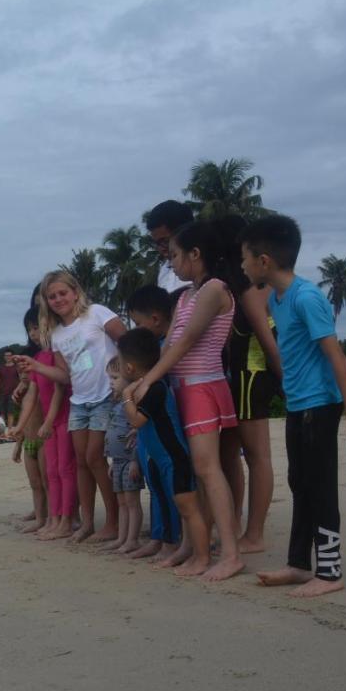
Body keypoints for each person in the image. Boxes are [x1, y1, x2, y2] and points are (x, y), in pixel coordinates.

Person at [242, 215, 346, 598]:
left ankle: (330, 572)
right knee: (300, 482)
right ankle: (300, 564)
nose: (242, 266)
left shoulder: (306, 297)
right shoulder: (277, 298)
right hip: (299, 404)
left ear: (263, 261)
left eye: (244, 258)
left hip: (321, 404)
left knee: (320, 487)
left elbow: (337, 359)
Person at [132, 219, 243, 581]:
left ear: (196, 254)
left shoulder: (214, 289)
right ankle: (191, 546)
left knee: (208, 470)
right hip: (184, 388)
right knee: (194, 470)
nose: (172, 262)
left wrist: (149, 377)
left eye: (177, 255)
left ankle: (229, 553)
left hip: (201, 386)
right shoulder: (186, 296)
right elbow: (169, 342)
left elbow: (185, 343)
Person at [15, 270, 126, 542]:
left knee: (94, 457)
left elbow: (127, 341)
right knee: (81, 464)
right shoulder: (57, 334)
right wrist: (37, 366)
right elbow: (65, 376)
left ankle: (114, 521)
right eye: (51, 296)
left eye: (62, 293)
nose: (58, 299)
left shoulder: (97, 313)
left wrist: (125, 377)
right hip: (80, 402)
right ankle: (86, 523)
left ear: (75, 291)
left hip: (104, 396)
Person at [117, 328, 211, 576]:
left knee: (189, 508)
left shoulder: (154, 388)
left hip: (174, 459)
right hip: (159, 460)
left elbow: (137, 420)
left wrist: (126, 398)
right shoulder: (148, 386)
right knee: (171, 502)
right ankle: (178, 548)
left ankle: (201, 557)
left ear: (128, 367)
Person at [221, 268, 282, 555]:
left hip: (250, 376)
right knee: (230, 454)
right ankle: (234, 525)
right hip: (241, 378)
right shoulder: (245, 290)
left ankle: (254, 534)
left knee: (257, 457)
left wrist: (287, 380)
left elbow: (268, 339)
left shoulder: (254, 291)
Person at [17, 306, 74, 541]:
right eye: (29, 329)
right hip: (49, 424)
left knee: (64, 470)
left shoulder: (56, 354)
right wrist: (20, 426)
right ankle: (53, 518)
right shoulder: (38, 357)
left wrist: (49, 420)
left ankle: (66, 520)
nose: (33, 333)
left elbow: (61, 387)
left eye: (36, 327)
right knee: (51, 471)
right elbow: (33, 393)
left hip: (63, 418)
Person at [103, 358, 144, 554]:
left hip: (130, 460)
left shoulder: (131, 403)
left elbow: (137, 432)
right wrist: (111, 460)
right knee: (121, 502)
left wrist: (136, 460)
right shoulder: (115, 402)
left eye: (115, 377)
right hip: (117, 461)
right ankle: (122, 538)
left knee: (132, 502)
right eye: (110, 378)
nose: (111, 382)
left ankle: (132, 539)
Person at [8, 366, 47, 535]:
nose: (23, 375)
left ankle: (51, 517)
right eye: (20, 373)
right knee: (35, 484)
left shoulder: (40, 391)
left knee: (47, 483)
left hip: (43, 442)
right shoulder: (22, 393)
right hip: (28, 442)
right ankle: (39, 516)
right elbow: (24, 420)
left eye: (27, 372)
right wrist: (18, 445)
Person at [147, 199, 196, 293]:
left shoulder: (208, 263)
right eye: (157, 243)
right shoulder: (164, 269)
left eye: (165, 241)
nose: (161, 248)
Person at [0, 351, 23, 429]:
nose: (8, 357)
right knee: (2, 413)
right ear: (4, 357)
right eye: (6, 355)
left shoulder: (16, 367)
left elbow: (21, 379)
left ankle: (9, 430)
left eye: (9, 355)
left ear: (12, 356)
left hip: (13, 393)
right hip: (2, 392)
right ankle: (2, 430)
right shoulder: (1, 367)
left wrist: (19, 390)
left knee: (10, 412)